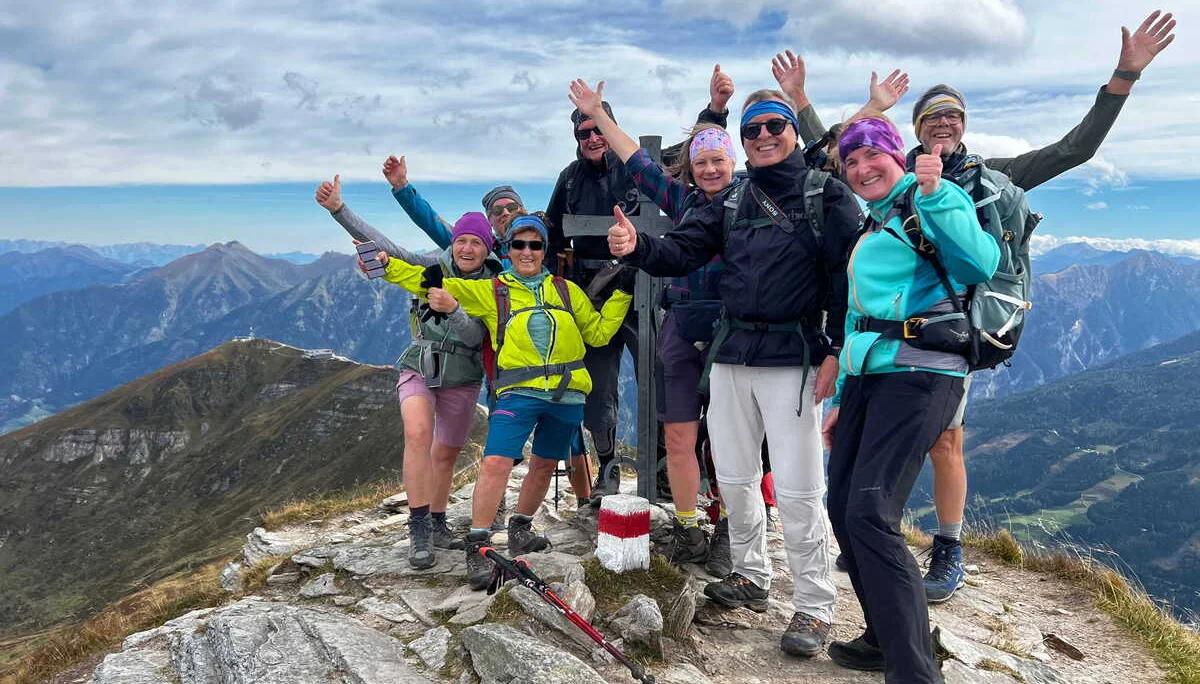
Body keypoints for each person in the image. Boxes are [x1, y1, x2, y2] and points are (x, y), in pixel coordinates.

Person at [794, 9, 1177, 603]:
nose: (944, 124)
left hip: (960, 329)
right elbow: (842, 157)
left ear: (965, 125)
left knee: (947, 441)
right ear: (915, 131)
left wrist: (1121, 80)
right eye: (932, 118)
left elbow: (1076, 150)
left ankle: (948, 548)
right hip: (897, 339)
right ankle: (878, 541)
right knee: (888, 445)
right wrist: (803, 102)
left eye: (953, 116)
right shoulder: (891, 180)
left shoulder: (989, 175)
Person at [608, 88, 863, 658]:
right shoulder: (730, 202)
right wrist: (636, 248)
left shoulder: (828, 197)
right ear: (743, 142)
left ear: (794, 131)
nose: (764, 136)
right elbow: (683, 251)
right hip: (730, 354)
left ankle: (816, 606)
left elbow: (850, 281)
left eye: (775, 125)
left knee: (799, 487)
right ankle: (752, 575)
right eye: (753, 131)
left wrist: (836, 351)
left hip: (794, 357)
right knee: (737, 474)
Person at [823, 115, 999, 683]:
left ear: (898, 156)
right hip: (874, 375)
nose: (860, 168)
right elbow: (856, 317)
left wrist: (935, 192)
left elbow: (981, 263)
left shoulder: (927, 201)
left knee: (871, 512)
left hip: (923, 373)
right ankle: (887, 635)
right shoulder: (871, 228)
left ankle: (916, 672)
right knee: (843, 507)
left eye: (871, 154)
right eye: (849, 161)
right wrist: (842, 398)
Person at [377, 213, 634, 590]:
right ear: (508, 249)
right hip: (518, 392)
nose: (527, 252)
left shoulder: (566, 290)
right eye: (519, 244)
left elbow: (597, 334)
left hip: (567, 393)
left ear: (545, 251)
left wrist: (623, 293)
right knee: (496, 462)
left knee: (545, 465)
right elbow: (427, 279)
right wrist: (386, 266)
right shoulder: (492, 290)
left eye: (535, 245)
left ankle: (521, 529)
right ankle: (478, 546)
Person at [324, 166, 595, 515]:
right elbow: (425, 230)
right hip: (499, 366)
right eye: (498, 210)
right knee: (503, 441)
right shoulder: (476, 248)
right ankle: (491, 511)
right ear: (488, 220)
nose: (506, 214)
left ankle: (585, 499)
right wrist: (397, 193)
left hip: (543, 362)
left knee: (567, 432)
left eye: (512, 207)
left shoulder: (529, 246)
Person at [567, 76, 738, 576]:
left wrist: (718, 110)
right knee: (681, 435)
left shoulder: (751, 202)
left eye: (718, 161)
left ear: (733, 163)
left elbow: (807, 160)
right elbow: (637, 163)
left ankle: (726, 526)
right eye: (701, 162)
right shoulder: (683, 202)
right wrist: (598, 114)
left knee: (728, 440)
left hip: (735, 332)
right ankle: (688, 526)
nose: (709, 169)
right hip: (682, 324)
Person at [316, 178, 503, 569]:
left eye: (476, 243)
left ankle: (437, 522)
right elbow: (386, 247)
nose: (467, 248)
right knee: (417, 434)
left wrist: (453, 308)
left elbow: (473, 338)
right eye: (462, 241)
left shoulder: (494, 287)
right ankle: (418, 528)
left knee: (447, 453)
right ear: (453, 244)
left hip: (463, 375)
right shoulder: (429, 269)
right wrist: (339, 210)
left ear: (487, 249)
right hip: (419, 364)